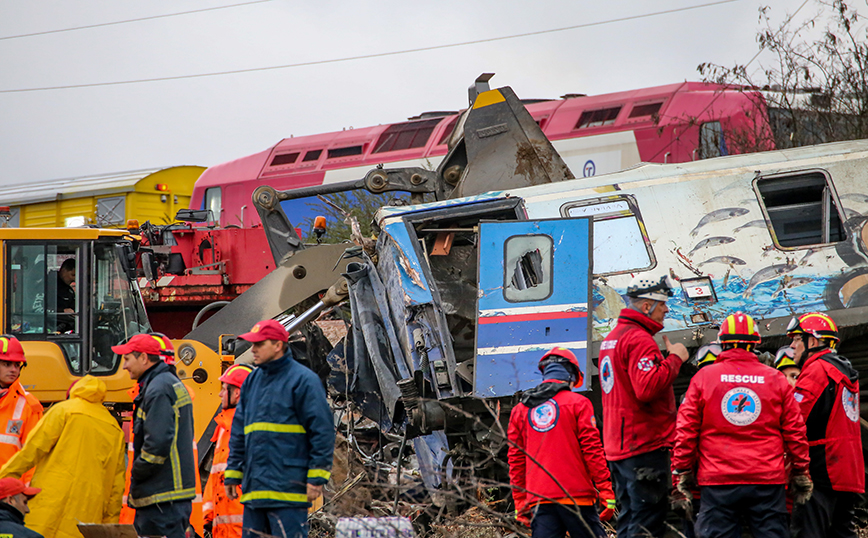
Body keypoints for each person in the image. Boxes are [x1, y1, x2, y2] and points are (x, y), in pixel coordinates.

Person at [672, 312, 812, 538]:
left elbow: (686, 431)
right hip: (767, 481)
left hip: (718, 481)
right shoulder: (775, 379)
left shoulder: (704, 378)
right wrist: (801, 471)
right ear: (755, 343)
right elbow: (795, 431)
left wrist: (681, 472)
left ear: (722, 343)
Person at [225, 320, 334, 538]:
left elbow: (322, 433)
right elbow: (239, 432)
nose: (252, 350)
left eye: (258, 344)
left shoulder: (303, 381)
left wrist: (316, 479)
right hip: (255, 491)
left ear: (277, 345)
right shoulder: (252, 381)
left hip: (289, 492)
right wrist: (232, 474)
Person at [599, 275, 689, 537]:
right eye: (663, 305)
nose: (667, 310)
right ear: (647, 306)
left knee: (630, 518)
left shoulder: (612, 338)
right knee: (648, 521)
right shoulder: (639, 339)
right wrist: (675, 359)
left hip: (619, 446)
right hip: (643, 446)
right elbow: (646, 388)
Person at [507, 347, 615, 538]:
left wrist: (520, 501)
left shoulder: (520, 409)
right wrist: (606, 490)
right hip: (577, 498)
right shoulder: (579, 403)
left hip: (540, 500)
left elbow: (516, 460)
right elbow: (592, 451)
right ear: (571, 375)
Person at [0, 376, 126, 538]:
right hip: (85, 516)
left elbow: (30, 452)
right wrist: (108, 526)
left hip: (46, 507)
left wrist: (3, 479)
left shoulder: (64, 410)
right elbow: (116, 488)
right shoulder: (114, 428)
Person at [787, 313, 865, 538]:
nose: (792, 346)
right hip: (847, 469)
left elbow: (795, 418)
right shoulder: (844, 370)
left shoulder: (817, 370)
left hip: (822, 469)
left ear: (811, 341)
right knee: (842, 532)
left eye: (796, 340)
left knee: (808, 531)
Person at [113, 333, 196, 538]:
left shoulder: (158, 389)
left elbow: (157, 443)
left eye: (127, 359)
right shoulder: (164, 383)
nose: (124, 366)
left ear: (143, 358)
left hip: (161, 498)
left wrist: (137, 472)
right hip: (167, 497)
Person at [672, 342, 722, 538]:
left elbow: (682, 440)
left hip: (707, 484)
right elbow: (682, 440)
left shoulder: (692, 395)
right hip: (719, 485)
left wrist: (679, 479)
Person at [203, 364, 253, 538]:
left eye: (224, 389)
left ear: (237, 392)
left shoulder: (251, 427)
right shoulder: (224, 427)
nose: (220, 394)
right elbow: (215, 477)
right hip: (224, 528)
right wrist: (207, 516)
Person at [0, 336, 43, 480]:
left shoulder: (30, 405)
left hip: (9, 492)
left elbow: (33, 456)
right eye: (7, 364)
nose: (13, 370)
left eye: (17, 365)